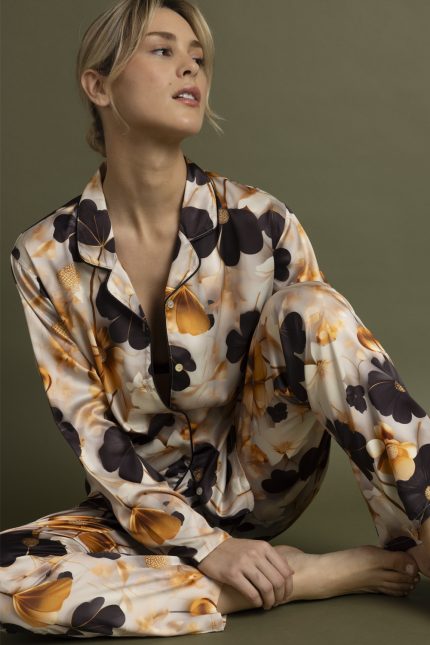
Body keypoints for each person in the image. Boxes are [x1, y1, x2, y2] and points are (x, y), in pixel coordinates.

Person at [1, 0, 429, 638]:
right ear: (99, 85)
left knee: (312, 308)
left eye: (198, 57)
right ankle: (295, 579)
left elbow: (336, 366)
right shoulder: (44, 256)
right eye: (163, 50)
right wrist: (206, 546)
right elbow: (89, 430)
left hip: (264, 481)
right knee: (10, 582)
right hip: (140, 515)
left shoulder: (262, 222)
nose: (190, 68)